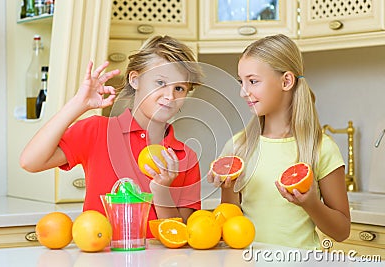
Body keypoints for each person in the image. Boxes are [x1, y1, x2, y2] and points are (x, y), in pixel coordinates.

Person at [20, 35, 203, 238]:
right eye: (160, 82)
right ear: (135, 80)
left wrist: (161, 191)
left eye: (179, 88)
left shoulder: (186, 157)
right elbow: (30, 162)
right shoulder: (98, 131)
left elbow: (180, 236)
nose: (170, 96)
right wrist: (78, 104)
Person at [207, 34, 350, 249]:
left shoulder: (321, 148)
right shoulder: (238, 147)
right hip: (250, 263)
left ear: (286, 81)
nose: (243, 92)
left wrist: (311, 204)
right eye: (241, 82)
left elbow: (342, 231)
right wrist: (227, 187)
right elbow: (230, 223)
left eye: (253, 81)